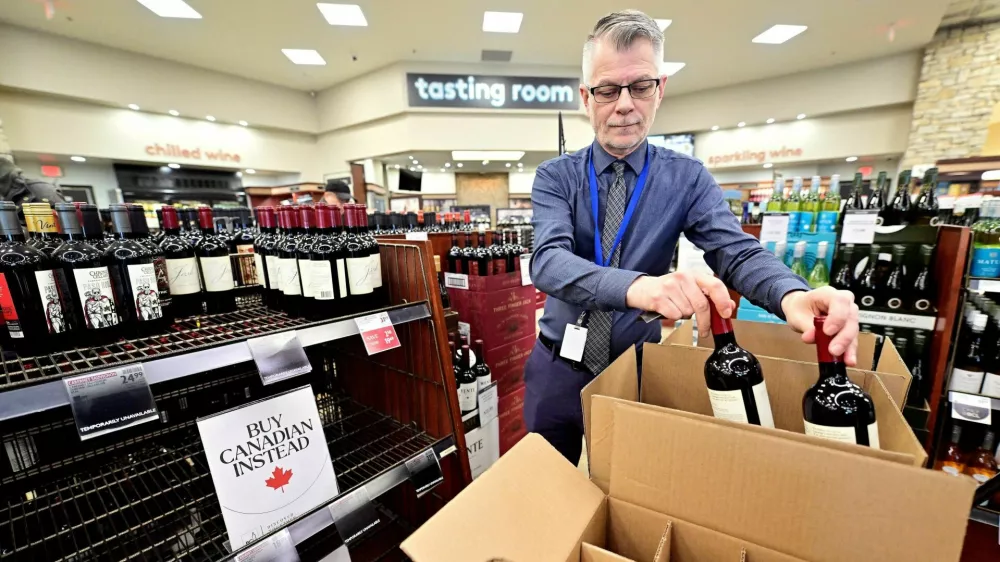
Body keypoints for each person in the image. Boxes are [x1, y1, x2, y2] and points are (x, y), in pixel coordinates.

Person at [526, 10, 859, 463]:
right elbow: (548, 262)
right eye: (607, 90)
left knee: (627, 493)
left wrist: (792, 295)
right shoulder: (556, 176)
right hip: (557, 368)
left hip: (636, 370)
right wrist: (639, 287)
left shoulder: (686, 179)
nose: (624, 104)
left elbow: (736, 253)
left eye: (640, 86)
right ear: (587, 97)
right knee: (546, 489)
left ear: (660, 89)